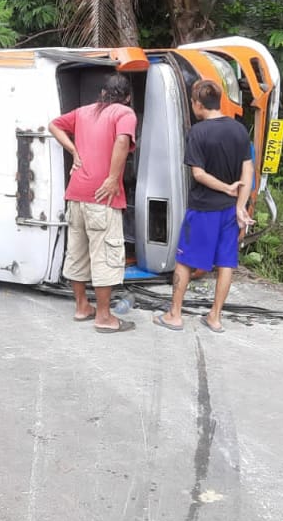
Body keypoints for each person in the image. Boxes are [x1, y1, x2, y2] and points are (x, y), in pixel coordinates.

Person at [154, 80, 253, 334]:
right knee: (226, 263)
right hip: (229, 211)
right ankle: (215, 317)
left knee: (185, 261)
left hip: (203, 209)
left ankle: (175, 315)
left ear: (198, 104)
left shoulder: (198, 132)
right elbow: (248, 169)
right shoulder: (239, 130)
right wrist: (240, 205)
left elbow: (198, 174)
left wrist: (224, 187)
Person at [48, 74, 137, 334]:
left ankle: (82, 307)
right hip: (102, 196)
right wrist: (112, 179)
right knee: (105, 255)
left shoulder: (84, 111)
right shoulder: (125, 113)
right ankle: (104, 317)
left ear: (102, 93)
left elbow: (54, 125)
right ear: (128, 97)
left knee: (77, 251)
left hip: (76, 193)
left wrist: (73, 150)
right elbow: (122, 140)